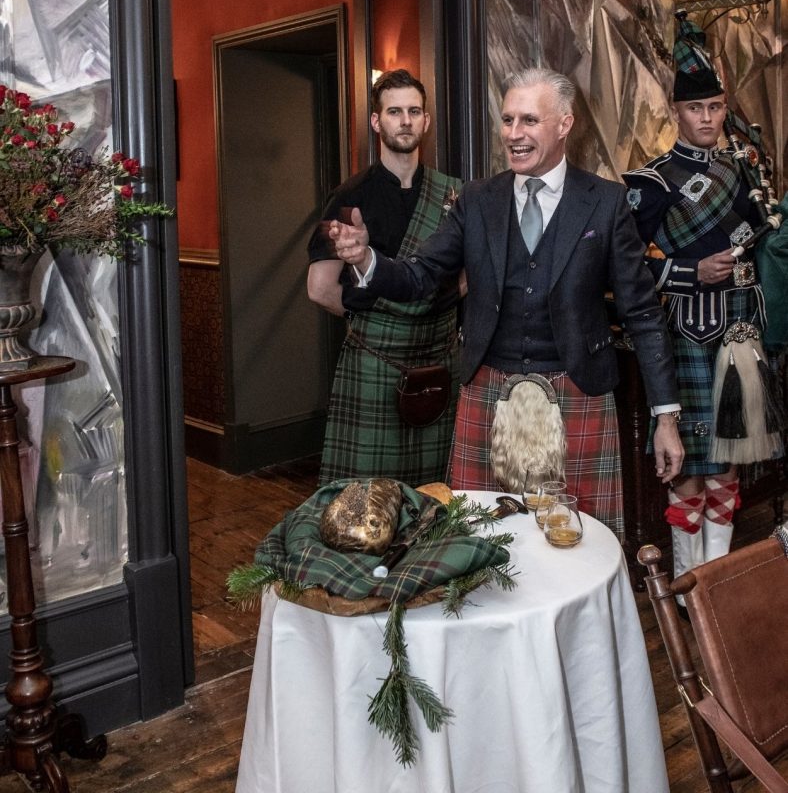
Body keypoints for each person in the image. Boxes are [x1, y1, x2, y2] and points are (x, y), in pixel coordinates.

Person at [328, 67, 685, 540]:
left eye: (529, 121)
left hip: (578, 390)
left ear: (564, 124)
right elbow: (420, 275)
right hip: (488, 391)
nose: (514, 134)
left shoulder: (606, 201)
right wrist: (367, 259)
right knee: (481, 541)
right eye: (508, 120)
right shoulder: (477, 199)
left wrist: (666, 416)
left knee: (581, 543)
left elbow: (642, 311)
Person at [623, 37, 783, 588]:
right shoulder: (652, 183)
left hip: (742, 326)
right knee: (689, 467)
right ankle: (688, 589)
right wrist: (690, 273)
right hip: (687, 330)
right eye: (696, 108)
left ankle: (716, 585)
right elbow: (625, 267)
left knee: (729, 461)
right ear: (676, 111)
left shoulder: (745, 173)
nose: (708, 118)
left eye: (715, 106)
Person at [307, 68, 463, 488]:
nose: (406, 121)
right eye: (395, 112)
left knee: (439, 495)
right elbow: (319, 288)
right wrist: (375, 322)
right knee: (365, 497)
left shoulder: (454, 194)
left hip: (440, 359)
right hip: (376, 360)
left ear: (426, 121)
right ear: (376, 122)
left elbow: (469, 277)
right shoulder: (348, 197)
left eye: (414, 111)